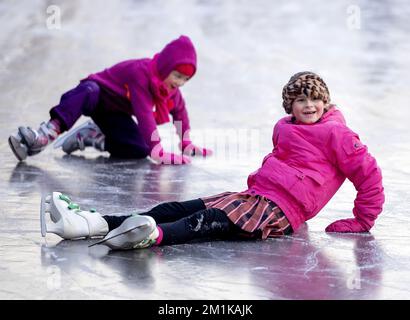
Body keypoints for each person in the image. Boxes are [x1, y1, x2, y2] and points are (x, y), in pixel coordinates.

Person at [40, 71, 385, 250]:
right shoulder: (286, 128)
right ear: (289, 106)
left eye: (317, 99)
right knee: (178, 207)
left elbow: (368, 175)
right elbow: (288, 163)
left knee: (210, 220)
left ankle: (152, 236)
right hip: (258, 196)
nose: (310, 105)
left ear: (326, 101)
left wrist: (361, 220)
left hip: (278, 209)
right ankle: (94, 223)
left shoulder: (338, 135)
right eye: (302, 100)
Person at [8, 35, 212, 164]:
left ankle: (92, 137)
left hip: (115, 113)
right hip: (98, 96)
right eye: (177, 76)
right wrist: (158, 149)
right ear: (165, 68)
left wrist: (185, 142)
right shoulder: (140, 73)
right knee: (88, 90)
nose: (181, 83)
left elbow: (179, 113)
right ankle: (48, 132)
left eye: (186, 79)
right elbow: (143, 114)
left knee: (140, 148)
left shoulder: (170, 90)